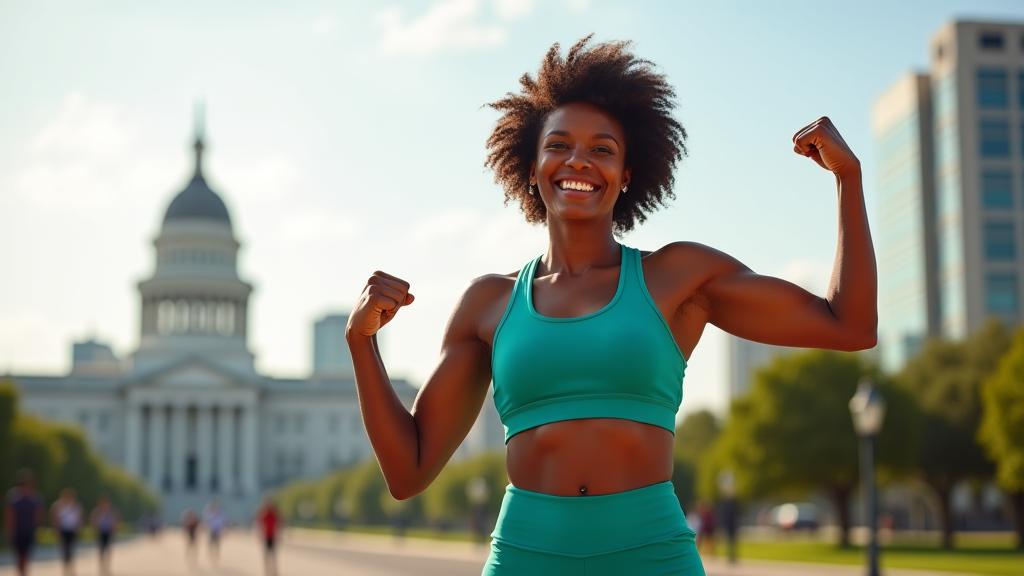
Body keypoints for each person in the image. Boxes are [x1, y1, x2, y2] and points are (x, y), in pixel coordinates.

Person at [345, 34, 875, 575]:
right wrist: (361, 342)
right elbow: (408, 473)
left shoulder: (678, 277)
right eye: (558, 145)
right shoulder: (488, 302)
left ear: (626, 175)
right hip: (526, 558)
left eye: (602, 149)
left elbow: (850, 326)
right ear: (531, 166)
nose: (579, 160)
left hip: (652, 557)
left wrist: (847, 180)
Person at [4, 469, 43, 576]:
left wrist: (37, 528)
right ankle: (21, 571)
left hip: (29, 530)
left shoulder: (35, 498)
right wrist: (9, 530)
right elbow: (10, 515)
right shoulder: (14, 497)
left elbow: (37, 515)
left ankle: (23, 572)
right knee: (19, 555)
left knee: (26, 554)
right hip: (17, 531)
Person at [50, 488, 84, 576]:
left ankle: (70, 568)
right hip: (63, 530)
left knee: (71, 550)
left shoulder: (76, 506)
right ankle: (65, 569)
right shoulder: (58, 506)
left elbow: (79, 519)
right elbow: (55, 519)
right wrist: (56, 530)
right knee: (65, 550)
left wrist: (78, 529)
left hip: (72, 531)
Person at [90, 495, 118, 576]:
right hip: (100, 532)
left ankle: (107, 566)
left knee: (108, 550)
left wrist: (114, 530)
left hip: (108, 532)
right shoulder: (97, 512)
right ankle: (102, 566)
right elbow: (93, 521)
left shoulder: (111, 512)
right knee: (101, 550)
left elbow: (115, 522)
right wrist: (94, 530)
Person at [257, 499, 281, 576]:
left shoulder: (274, 514)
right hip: (266, 536)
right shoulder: (264, 515)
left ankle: (274, 570)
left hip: (272, 536)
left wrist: (279, 534)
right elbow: (260, 525)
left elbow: (279, 525)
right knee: (267, 554)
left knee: (273, 554)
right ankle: (267, 570)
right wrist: (260, 535)